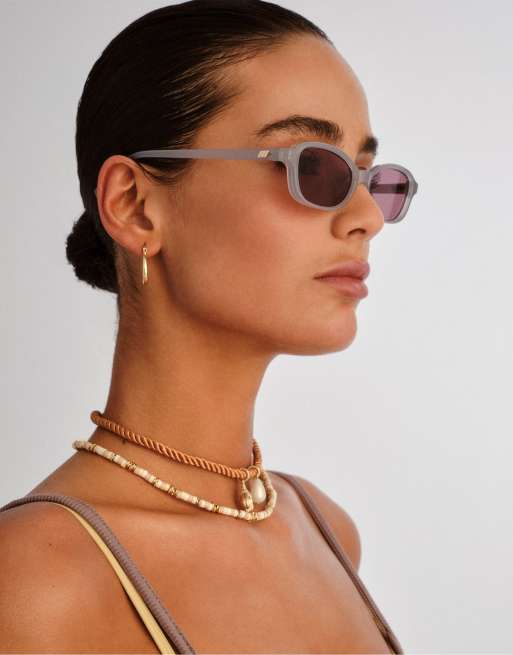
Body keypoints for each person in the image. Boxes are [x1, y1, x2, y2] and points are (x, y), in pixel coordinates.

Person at [0, 1, 416, 652]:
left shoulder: (327, 531)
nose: (367, 216)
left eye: (367, 174)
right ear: (135, 206)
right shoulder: (34, 579)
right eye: (312, 166)